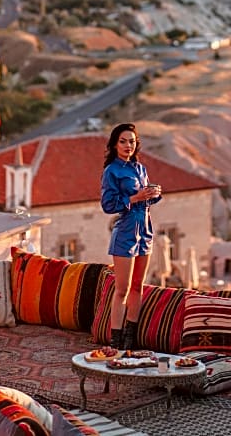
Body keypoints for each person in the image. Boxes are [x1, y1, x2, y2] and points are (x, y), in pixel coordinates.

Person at [101, 123, 162, 350]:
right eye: (123, 141)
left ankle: (131, 339)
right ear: (115, 144)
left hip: (145, 229)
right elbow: (108, 205)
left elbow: (143, 199)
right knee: (122, 289)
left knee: (138, 285)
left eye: (132, 142)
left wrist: (153, 195)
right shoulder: (111, 171)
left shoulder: (140, 168)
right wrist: (136, 198)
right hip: (125, 231)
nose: (128, 146)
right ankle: (115, 342)